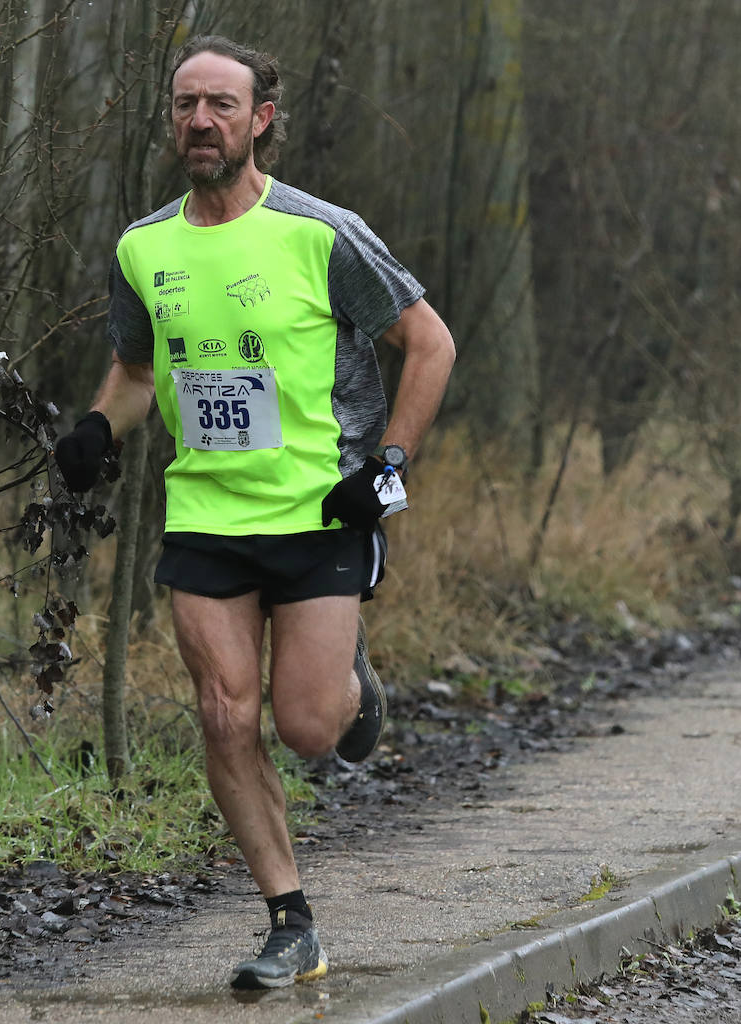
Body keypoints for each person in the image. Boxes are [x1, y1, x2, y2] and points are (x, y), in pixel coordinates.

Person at [54, 34, 455, 989]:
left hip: (320, 510)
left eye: (221, 106)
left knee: (309, 728)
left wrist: (387, 467)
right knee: (224, 714)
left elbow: (428, 344)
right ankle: (291, 921)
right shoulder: (144, 247)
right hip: (204, 516)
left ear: (260, 121)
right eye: (186, 104)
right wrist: (98, 434)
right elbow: (140, 369)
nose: (201, 121)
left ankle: (351, 676)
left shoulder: (323, 234)